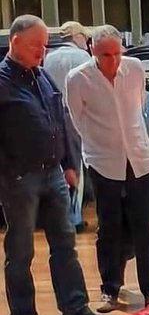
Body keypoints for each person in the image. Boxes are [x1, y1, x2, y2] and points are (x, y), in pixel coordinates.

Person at [0, 15, 115, 315]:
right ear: (15, 42)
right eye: (36, 45)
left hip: (53, 175)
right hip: (20, 179)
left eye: (44, 45)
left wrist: (67, 163)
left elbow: (59, 117)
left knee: (65, 245)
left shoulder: (42, 76)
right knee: (21, 251)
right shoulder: (2, 82)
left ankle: (75, 309)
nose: (42, 51)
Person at [66, 26, 149, 313]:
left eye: (117, 53)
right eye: (106, 54)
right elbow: (76, 119)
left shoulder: (134, 69)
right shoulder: (78, 78)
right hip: (103, 161)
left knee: (144, 226)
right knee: (108, 227)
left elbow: (139, 104)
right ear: (92, 50)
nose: (113, 60)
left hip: (139, 159)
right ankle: (110, 288)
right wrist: (99, 144)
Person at [43, 21, 91, 230]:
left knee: (61, 167)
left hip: (52, 116)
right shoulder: (82, 56)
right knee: (76, 166)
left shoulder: (49, 57)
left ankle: (58, 216)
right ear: (78, 37)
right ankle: (75, 218)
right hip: (74, 115)